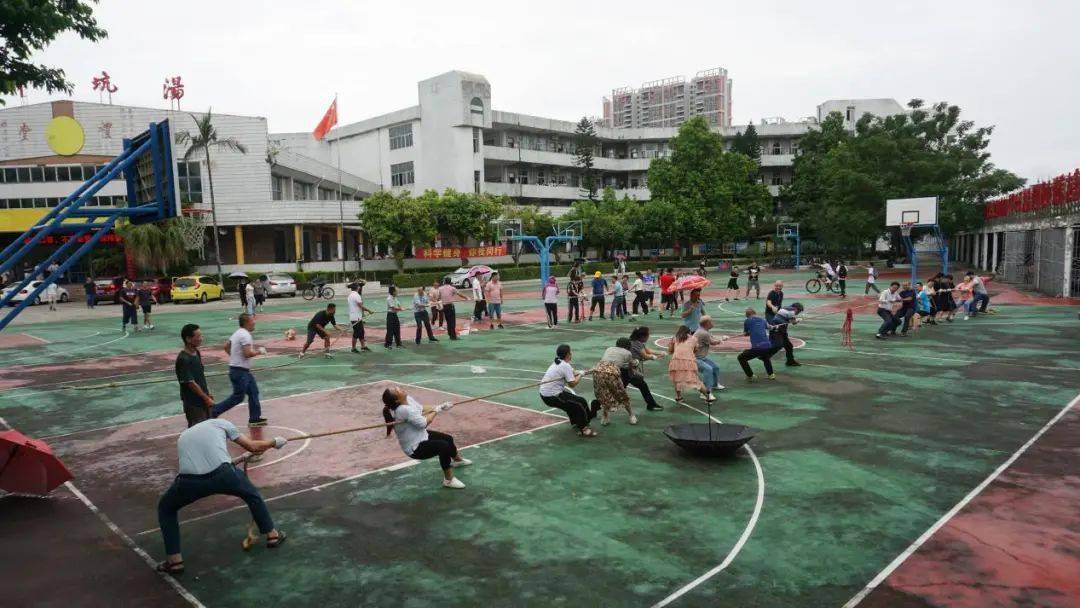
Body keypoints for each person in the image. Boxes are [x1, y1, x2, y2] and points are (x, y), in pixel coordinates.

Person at [155, 418, 287, 574]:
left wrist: (236, 459)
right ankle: (272, 535)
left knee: (165, 508)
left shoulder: (184, 435)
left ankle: (174, 561)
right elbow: (253, 446)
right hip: (224, 475)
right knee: (252, 495)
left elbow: (200, 464)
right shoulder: (223, 423)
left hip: (189, 482)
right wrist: (274, 442)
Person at [381, 386, 469, 489]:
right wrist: (437, 410)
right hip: (415, 447)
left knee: (448, 438)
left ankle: (458, 460)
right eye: (397, 390)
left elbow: (422, 408)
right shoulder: (403, 410)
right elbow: (424, 423)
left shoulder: (408, 399)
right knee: (443, 446)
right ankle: (448, 480)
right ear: (397, 399)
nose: (399, 388)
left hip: (422, 436)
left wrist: (440, 406)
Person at [213, 313, 268, 426]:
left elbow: (226, 347)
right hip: (240, 371)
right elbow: (247, 353)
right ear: (247, 323)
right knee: (238, 396)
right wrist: (259, 351)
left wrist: (234, 358)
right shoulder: (245, 335)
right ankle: (214, 411)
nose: (254, 322)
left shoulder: (237, 333)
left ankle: (254, 418)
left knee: (253, 391)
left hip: (240, 370)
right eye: (252, 321)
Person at [538, 344, 598, 437]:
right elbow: (572, 384)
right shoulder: (565, 365)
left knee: (575, 402)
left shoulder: (558, 361)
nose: (571, 354)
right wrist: (580, 375)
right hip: (552, 396)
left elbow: (573, 372)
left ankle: (577, 422)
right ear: (567, 355)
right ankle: (584, 429)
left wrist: (590, 371)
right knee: (579, 404)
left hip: (548, 393)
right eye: (570, 352)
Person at [175, 324, 219, 427]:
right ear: (188, 339)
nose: (201, 339)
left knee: (208, 427)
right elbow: (190, 383)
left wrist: (207, 392)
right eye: (198, 336)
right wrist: (206, 398)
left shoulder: (196, 353)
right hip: (193, 402)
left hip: (203, 398)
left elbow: (200, 376)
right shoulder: (183, 359)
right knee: (198, 429)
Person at [593, 338, 638, 425]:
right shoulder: (628, 353)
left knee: (604, 395)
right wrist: (636, 362)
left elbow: (615, 361)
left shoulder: (609, 348)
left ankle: (605, 417)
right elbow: (631, 364)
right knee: (622, 394)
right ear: (628, 346)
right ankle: (631, 415)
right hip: (611, 373)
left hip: (597, 371)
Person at [626, 326, 664, 411]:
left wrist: (660, 352)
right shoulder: (637, 344)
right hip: (628, 370)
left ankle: (651, 404)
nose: (649, 336)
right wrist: (657, 357)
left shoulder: (635, 341)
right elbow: (646, 356)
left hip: (629, 369)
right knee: (618, 390)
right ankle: (651, 404)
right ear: (642, 336)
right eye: (648, 335)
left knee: (642, 385)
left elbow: (648, 351)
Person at [737, 309, 780, 381]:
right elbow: (770, 327)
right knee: (765, 357)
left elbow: (745, 333)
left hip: (757, 347)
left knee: (741, 358)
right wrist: (775, 327)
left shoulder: (747, 321)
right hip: (768, 346)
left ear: (747, 315)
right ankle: (771, 374)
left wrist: (747, 333)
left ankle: (750, 375)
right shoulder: (763, 320)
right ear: (755, 313)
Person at [667, 325, 704, 403]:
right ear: (689, 332)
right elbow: (695, 350)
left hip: (675, 360)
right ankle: (708, 396)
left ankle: (678, 397)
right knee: (695, 379)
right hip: (689, 361)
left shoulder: (675, 338)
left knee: (676, 379)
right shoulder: (694, 338)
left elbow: (670, 351)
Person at [693, 316, 726, 402]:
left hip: (701, 357)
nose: (713, 323)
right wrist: (721, 340)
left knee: (715, 368)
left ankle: (714, 385)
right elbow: (713, 342)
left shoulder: (703, 330)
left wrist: (721, 339)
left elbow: (712, 338)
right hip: (695, 359)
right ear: (707, 323)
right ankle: (706, 392)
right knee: (708, 369)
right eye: (711, 322)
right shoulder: (703, 333)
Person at [347, 281, 373, 353]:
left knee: (361, 332)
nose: (359, 287)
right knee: (356, 333)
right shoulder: (356, 295)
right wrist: (369, 310)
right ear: (357, 287)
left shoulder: (350, 295)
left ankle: (363, 346)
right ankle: (353, 348)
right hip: (356, 318)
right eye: (358, 286)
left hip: (356, 317)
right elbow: (361, 306)